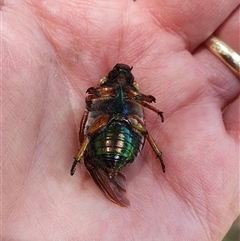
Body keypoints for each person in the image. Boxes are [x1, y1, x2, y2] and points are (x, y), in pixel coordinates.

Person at [2, 0, 239, 240]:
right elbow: (100, 99)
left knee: (134, 130)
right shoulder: (110, 91)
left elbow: (141, 103)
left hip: (119, 129)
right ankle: (82, 156)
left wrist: (149, 107)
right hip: (111, 128)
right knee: (108, 130)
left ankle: (141, 155)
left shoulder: (129, 94)